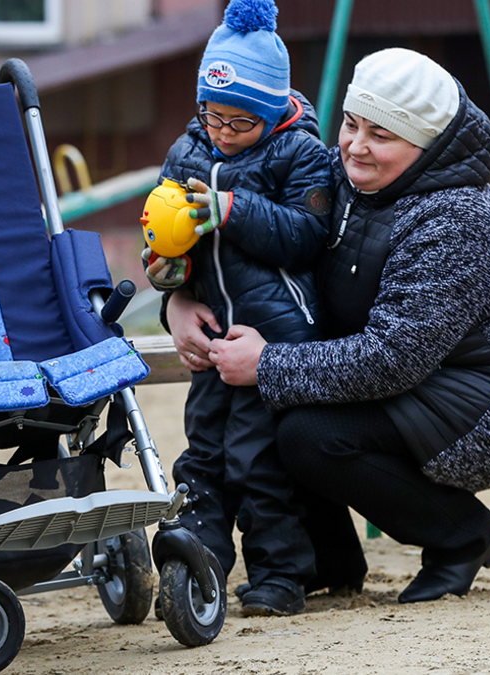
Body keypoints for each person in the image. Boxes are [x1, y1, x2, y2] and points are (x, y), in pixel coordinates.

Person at [175, 47, 490, 604]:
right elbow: (249, 243)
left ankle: (461, 537)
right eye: (352, 124)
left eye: (381, 135)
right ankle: (328, 560)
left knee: (310, 434)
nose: (356, 146)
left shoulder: (459, 218)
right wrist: (180, 298)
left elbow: (393, 358)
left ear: (425, 144)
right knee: (286, 406)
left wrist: (267, 362)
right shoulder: (341, 175)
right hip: (411, 373)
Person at [143, 0, 334, 616]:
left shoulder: (298, 151)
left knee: (257, 458)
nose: (222, 132)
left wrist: (230, 209)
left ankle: (281, 575)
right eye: (212, 115)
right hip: (214, 333)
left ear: (272, 108)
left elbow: (308, 232)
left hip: (275, 333)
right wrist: (172, 280)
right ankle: (201, 562)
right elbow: (169, 231)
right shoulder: (190, 149)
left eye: (240, 122)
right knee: (202, 450)